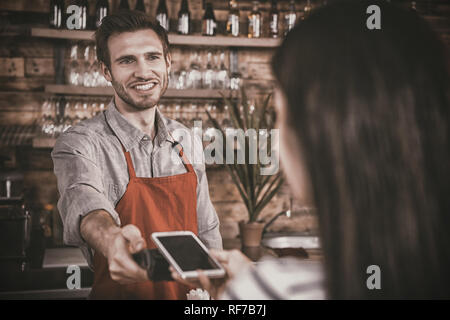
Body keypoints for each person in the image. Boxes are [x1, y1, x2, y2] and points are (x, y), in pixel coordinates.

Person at [172, 0, 450, 299]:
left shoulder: (271, 289)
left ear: (320, 137)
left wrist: (240, 293)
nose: (275, 141)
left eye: (279, 115)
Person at [51, 11, 222, 299]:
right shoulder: (80, 142)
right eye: (127, 60)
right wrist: (112, 238)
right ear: (106, 71)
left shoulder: (187, 140)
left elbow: (207, 232)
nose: (143, 72)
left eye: (152, 57)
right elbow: (84, 201)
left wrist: (219, 292)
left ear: (168, 62)